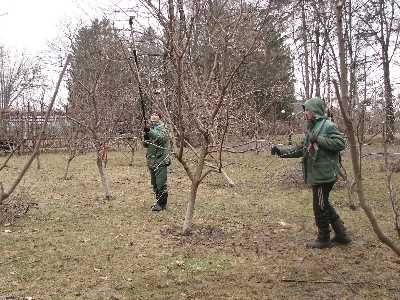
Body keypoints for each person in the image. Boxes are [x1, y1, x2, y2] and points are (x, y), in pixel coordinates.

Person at [271, 97, 351, 249]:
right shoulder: (311, 127)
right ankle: (341, 234)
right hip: (317, 173)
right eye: (304, 110)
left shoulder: (327, 125)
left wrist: (319, 139)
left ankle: (324, 238)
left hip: (324, 174)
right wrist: (280, 152)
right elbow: (302, 149)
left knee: (319, 206)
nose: (305, 113)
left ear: (315, 111)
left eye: (307, 110)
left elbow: (341, 144)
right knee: (324, 203)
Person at [143, 112, 171, 211]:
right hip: (151, 160)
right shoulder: (151, 129)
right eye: (152, 115)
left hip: (161, 160)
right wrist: (145, 136)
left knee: (161, 183)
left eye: (156, 115)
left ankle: (162, 204)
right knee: (154, 183)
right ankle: (158, 202)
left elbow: (161, 138)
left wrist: (149, 131)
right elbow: (146, 145)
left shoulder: (164, 128)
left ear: (160, 117)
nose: (153, 116)